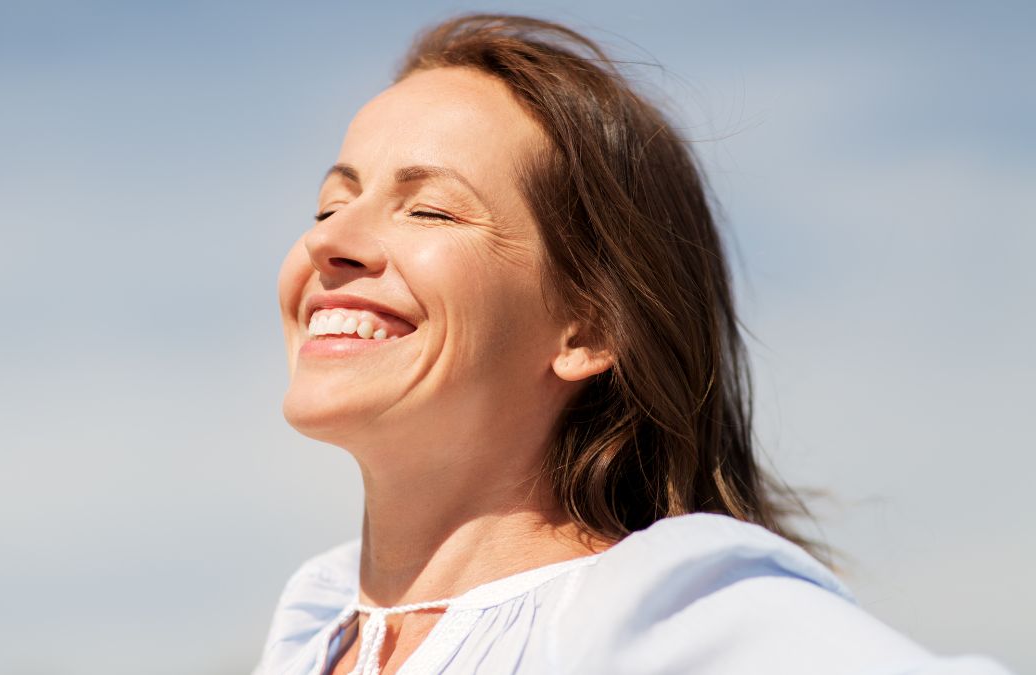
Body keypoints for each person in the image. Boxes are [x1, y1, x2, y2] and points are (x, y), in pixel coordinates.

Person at [254, 14, 1011, 675]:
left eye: (431, 211)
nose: (332, 241)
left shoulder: (646, 611)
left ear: (588, 327)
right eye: (331, 202)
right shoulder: (310, 631)